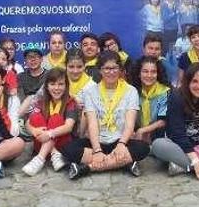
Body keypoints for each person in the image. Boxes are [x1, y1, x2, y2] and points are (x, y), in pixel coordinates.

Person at [62, 51, 150, 179]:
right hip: (97, 141)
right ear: (100, 70)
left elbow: (130, 125)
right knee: (68, 149)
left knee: (143, 148)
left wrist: (121, 144)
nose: (111, 72)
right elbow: (92, 123)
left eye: (115, 68)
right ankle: (122, 163)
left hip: (120, 140)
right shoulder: (90, 92)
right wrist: (97, 150)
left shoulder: (131, 91)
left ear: (120, 69)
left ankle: (87, 168)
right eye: (107, 68)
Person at [21, 68, 77, 175]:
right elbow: (28, 122)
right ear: (46, 86)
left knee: (55, 118)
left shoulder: (70, 102)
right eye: (52, 84)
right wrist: (33, 130)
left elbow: (69, 127)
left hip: (63, 145)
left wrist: (49, 134)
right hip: (41, 141)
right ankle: (54, 153)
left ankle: (39, 159)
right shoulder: (41, 101)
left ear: (66, 86)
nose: (56, 88)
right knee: (35, 117)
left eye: (60, 84)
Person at [129, 56, 170, 142]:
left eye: (153, 72)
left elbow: (162, 121)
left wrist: (143, 130)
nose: (149, 75)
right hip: (135, 132)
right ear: (138, 74)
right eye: (145, 71)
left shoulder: (164, 92)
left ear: (158, 74)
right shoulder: (132, 91)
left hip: (158, 134)